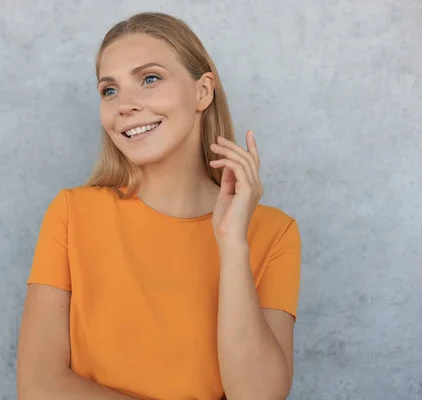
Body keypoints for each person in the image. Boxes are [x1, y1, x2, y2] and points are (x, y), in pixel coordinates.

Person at [16, 11, 301, 400]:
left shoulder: (273, 232)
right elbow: (39, 386)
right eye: (109, 90)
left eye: (149, 79)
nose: (125, 105)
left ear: (202, 92)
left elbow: (258, 395)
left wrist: (233, 243)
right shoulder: (71, 213)